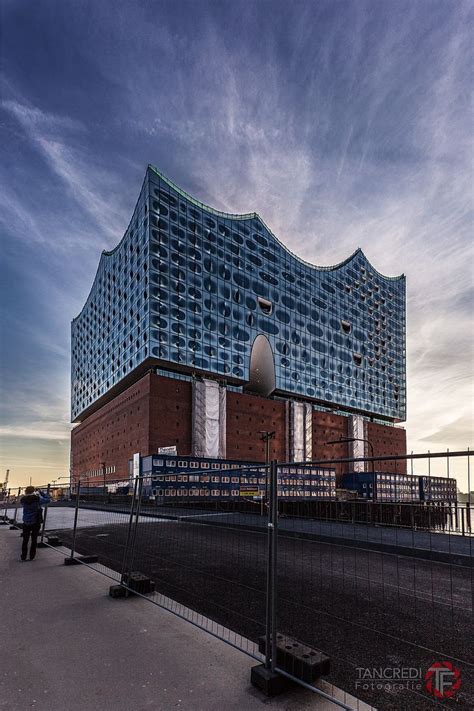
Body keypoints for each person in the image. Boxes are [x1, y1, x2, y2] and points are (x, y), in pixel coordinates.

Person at [20, 486, 50, 561]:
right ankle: (31, 556)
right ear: (33, 491)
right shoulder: (37, 499)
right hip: (35, 521)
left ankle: (23, 556)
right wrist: (41, 492)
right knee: (34, 539)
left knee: (25, 540)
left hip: (26, 521)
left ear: (26, 491)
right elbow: (48, 499)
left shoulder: (23, 500)